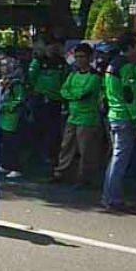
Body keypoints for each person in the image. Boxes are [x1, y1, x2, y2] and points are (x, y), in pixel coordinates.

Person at [101, 32, 136, 210]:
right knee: (120, 158)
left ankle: (110, 195)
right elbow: (128, 95)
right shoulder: (125, 66)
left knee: (116, 157)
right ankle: (111, 197)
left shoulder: (112, 64)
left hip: (113, 114)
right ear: (129, 47)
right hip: (124, 117)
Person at [52, 43, 103, 187]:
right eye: (77, 57)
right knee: (66, 146)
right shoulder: (73, 74)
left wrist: (70, 95)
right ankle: (61, 173)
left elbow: (83, 93)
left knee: (86, 150)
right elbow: (63, 90)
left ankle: (85, 178)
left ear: (89, 58)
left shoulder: (94, 77)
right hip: (72, 116)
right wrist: (70, 95)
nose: (79, 60)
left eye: (82, 57)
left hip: (88, 118)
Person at [28, 38, 67, 167]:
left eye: (54, 45)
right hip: (41, 99)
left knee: (53, 130)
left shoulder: (61, 62)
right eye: (49, 45)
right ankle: (36, 156)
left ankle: (50, 155)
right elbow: (32, 77)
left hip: (56, 101)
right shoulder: (38, 61)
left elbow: (64, 79)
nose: (52, 48)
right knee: (38, 128)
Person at [0, 56, 26, 179]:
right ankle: (5, 165)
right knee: (5, 143)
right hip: (3, 118)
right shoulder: (4, 81)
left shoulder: (17, 83)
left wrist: (5, 106)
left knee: (12, 143)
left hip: (12, 118)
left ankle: (16, 167)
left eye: (6, 66)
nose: (3, 68)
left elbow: (19, 100)